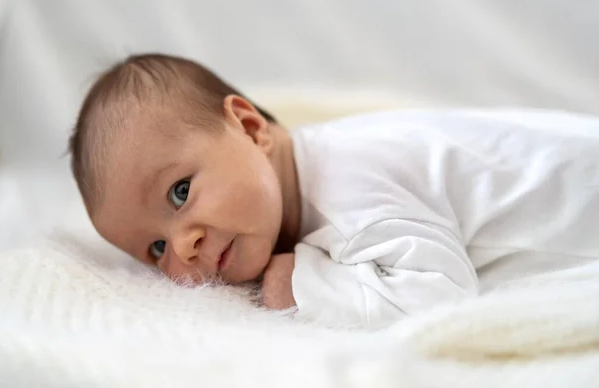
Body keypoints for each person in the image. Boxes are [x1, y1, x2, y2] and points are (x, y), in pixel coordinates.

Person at [69, 53, 599, 328]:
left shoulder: (349, 186)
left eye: (180, 192)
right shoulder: (310, 175)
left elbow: (440, 293)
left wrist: (302, 284)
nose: (182, 246)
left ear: (251, 129)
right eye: (155, 249)